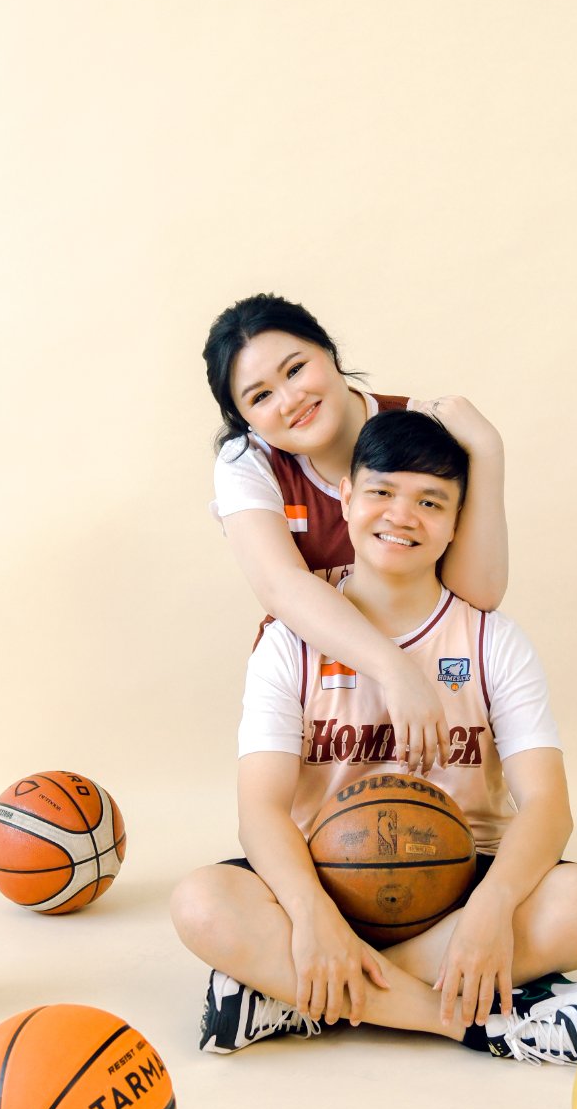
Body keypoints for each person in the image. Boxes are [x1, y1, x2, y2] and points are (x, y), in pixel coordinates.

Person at [172, 410, 577, 1064]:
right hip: (326, 881)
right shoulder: (290, 640)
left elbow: (548, 805)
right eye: (382, 492)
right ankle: (474, 1023)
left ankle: (294, 995)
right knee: (201, 903)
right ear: (346, 497)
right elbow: (260, 810)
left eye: (430, 502)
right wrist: (313, 915)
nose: (402, 516)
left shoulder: (492, 641)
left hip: (461, 884)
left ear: (457, 522)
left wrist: (492, 907)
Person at [204, 293, 507, 775]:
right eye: (260, 397)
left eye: (295, 369)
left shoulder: (421, 431)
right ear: (245, 420)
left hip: (435, 677)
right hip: (319, 694)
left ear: (329, 351)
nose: (290, 400)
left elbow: (479, 592)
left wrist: (487, 452)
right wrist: (394, 670)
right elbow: (281, 587)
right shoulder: (249, 462)